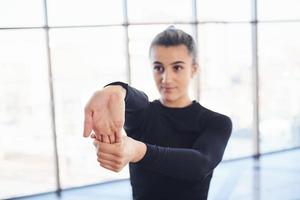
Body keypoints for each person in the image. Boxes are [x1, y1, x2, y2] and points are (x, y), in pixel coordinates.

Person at [83, 26, 232, 200]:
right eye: (158, 68)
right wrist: (116, 90)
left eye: (177, 68)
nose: (166, 79)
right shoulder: (143, 115)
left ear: (194, 69)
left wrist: (138, 151)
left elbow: (200, 164)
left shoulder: (216, 122)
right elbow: (135, 99)